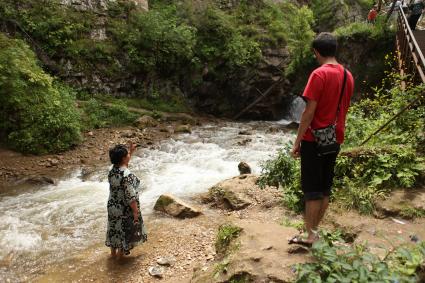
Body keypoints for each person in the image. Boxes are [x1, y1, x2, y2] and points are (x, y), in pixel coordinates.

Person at [289, 32, 354, 246]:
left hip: (314, 139)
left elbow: (309, 111)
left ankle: (310, 236)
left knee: (312, 190)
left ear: (317, 52)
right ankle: (313, 230)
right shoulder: (347, 76)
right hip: (335, 138)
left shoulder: (319, 74)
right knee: (325, 187)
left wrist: (297, 141)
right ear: (335, 49)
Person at [106, 143, 147, 258]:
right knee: (124, 232)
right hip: (124, 208)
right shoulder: (127, 175)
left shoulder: (112, 169)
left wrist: (130, 152)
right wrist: (135, 212)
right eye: (127, 154)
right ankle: (120, 260)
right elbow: (131, 196)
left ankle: (113, 255)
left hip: (112, 206)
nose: (129, 155)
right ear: (123, 158)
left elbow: (123, 166)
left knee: (114, 229)